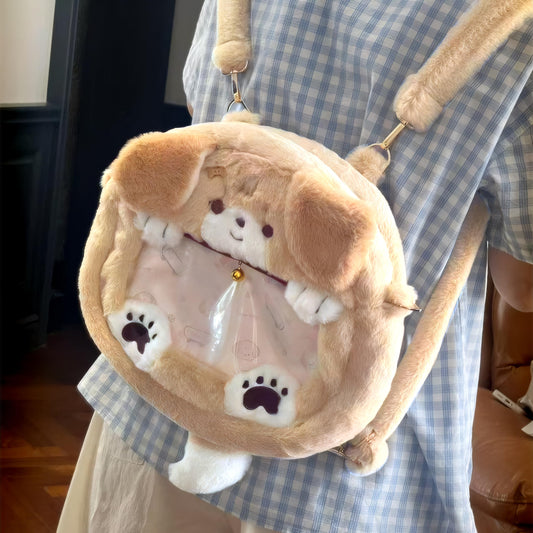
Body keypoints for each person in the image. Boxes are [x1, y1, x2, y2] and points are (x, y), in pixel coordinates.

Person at [58, 0, 533, 531]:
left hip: (157, 386)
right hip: (335, 475)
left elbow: (204, 127)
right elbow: (522, 286)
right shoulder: (515, 27)